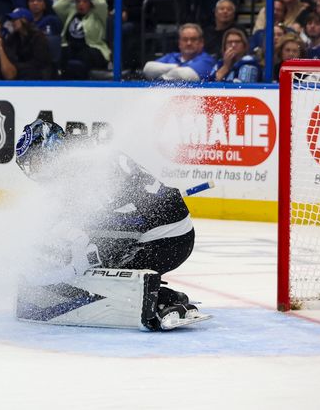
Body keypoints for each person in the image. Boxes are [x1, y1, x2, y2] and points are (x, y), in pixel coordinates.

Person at [13, 118, 207, 330]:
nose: (36, 170)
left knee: (90, 261)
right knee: (87, 250)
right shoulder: (83, 159)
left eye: (37, 161)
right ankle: (160, 294)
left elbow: (107, 226)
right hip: (168, 233)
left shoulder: (82, 168)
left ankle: (163, 300)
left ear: (51, 149)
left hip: (166, 241)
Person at [53, 0, 110, 79]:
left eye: (84, 1)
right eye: (78, 1)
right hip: (71, 47)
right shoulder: (72, 12)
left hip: (91, 48)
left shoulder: (97, 15)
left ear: (90, 3)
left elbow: (102, 4)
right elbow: (57, 6)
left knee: (82, 57)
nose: (81, 4)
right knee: (61, 52)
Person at [143, 23, 215, 81]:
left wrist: (159, 77)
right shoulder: (172, 56)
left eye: (193, 39)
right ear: (179, 43)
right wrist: (175, 66)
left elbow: (183, 75)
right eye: (185, 39)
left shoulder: (207, 60)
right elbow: (148, 69)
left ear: (201, 42)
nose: (189, 43)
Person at [4, 7, 53, 80]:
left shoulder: (38, 37)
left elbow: (40, 62)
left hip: (38, 73)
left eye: (15, 20)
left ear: (24, 20)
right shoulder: (12, 37)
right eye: (12, 20)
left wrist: (17, 66)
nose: (12, 22)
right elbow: (10, 56)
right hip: (19, 72)